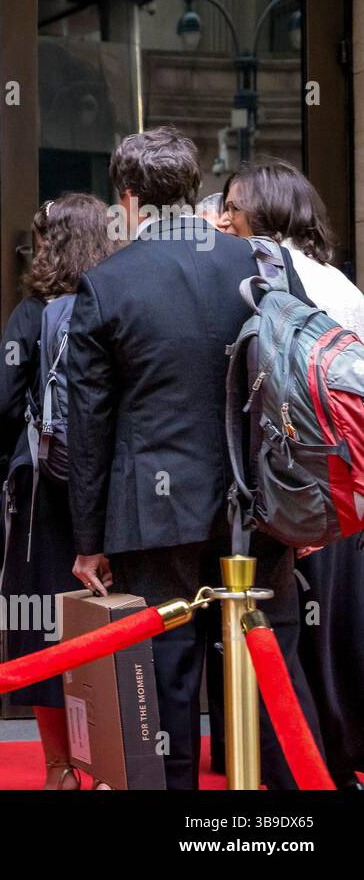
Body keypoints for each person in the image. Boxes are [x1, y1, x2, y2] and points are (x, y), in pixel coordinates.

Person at [65, 127, 323, 789]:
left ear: (126, 197)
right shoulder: (266, 264)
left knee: (164, 685)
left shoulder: (105, 282)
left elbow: (89, 423)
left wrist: (88, 539)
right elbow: (304, 383)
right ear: (191, 187)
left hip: (156, 509)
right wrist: (310, 500)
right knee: (275, 676)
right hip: (262, 500)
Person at [221, 160, 364, 788]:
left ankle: (304, 779)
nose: (221, 218)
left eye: (232, 205)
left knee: (296, 647)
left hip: (300, 491)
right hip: (343, 488)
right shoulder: (338, 281)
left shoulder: (266, 276)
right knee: (331, 639)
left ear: (265, 211)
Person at [0, 193, 118, 789]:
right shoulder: (114, 303)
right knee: (110, 626)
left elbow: (4, 403)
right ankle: (114, 759)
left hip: (43, 495)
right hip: (112, 492)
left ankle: (59, 766)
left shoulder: (30, 314)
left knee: (43, 629)